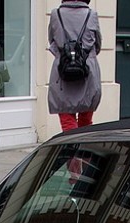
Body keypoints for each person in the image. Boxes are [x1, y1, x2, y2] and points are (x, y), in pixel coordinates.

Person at [48, 0, 101, 132]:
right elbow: (98, 44)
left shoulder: (56, 14)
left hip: (63, 72)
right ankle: (83, 150)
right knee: (86, 120)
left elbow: (52, 41)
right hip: (87, 73)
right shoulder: (92, 15)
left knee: (67, 122)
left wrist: (65, 54)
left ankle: (73, 150)